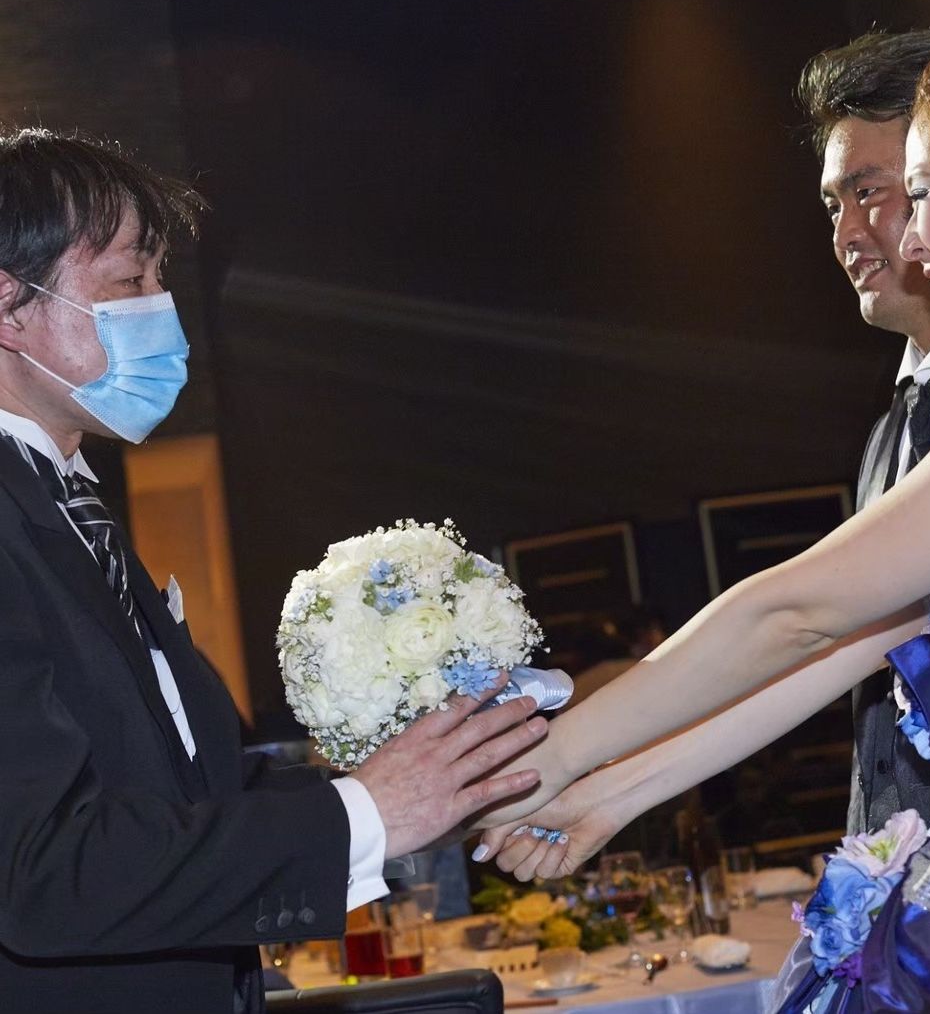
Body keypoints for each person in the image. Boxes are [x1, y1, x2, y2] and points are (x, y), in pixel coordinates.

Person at [477, 9, 930, 1010]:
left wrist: (551, 757)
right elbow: (858, 635)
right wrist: (606, 791)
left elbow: (796, 613)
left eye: (916, 194)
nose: (910, 239)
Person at [0, 127, 547, 1013]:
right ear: (10, 306)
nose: (161, 308)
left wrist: (440, 784)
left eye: (162, 279)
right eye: (130, 281)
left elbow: (194, 797)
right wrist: (365, 814)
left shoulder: (70, 508)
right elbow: (45, 870)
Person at [801, 30, 930, 835]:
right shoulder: (883, 433)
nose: (847, 235)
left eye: (870, 192)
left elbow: (800, 620)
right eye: (833, 205)